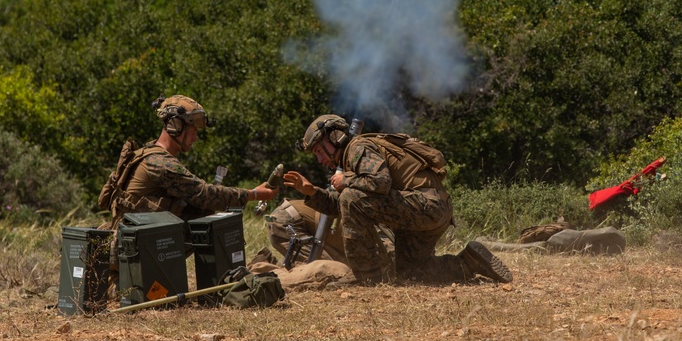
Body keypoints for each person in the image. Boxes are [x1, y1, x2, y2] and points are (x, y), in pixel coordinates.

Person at [282, 114, 512, 285]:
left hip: (425, 207)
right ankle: (469, 262)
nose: (320, 159)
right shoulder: (353, 158)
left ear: (335, 136)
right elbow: (349, 204)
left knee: (351, 196)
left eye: (320, 151)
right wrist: (311, 192)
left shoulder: (358, 147)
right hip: (431, 210)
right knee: (410, 273)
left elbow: (378, 184)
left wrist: (347, 181)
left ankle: (367, 277)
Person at [98, 94, 278, 229]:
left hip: (137, 239)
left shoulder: (149, 152)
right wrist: (254, 194)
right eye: (193, 131)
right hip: (137, 247)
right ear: (175, 126)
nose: (195, 138)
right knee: (208, 213)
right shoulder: (160, 163)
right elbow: (205, 194)